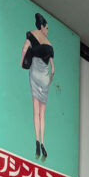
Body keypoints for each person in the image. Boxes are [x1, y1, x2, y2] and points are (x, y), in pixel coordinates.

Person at [21, 13, 54, 160]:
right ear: (42, 26)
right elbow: (53, 69)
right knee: (42, 114)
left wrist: (22, 62)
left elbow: (24, 49)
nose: (47, 31)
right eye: (47, 28)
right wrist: (50, 80)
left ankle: (36, 141)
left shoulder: (31, 34)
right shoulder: (49, 45)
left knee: (35, 111)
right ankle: (43, 143)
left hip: (34, 72)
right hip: (45, 77)